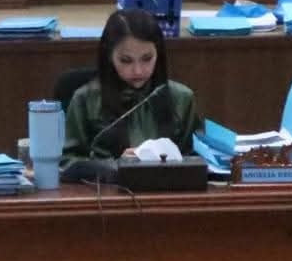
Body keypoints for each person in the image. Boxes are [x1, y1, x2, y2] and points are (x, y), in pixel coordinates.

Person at [62, 9, 199, 166]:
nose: (138, 71)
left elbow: (198, 160)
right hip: (107, 181)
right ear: (109, 56)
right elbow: (67, 163)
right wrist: (115, 166)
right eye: (126, 60)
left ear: (158, 54)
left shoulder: (182, 98)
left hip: (170, 181)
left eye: (147, 59)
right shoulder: (85, 99)